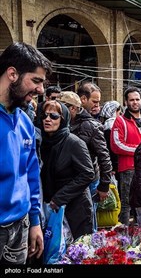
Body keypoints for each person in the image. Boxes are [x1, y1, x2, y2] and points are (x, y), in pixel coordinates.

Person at [0, 42, 52, 264]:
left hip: (20, 228)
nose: (41, 90)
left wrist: (35, 221)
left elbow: (31, 175)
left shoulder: (25, 122)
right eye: (36, 81)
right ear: (13, 74)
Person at [39, 100, 95, 239]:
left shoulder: (74, 142)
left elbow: (87, 174)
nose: (47, 119)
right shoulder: (41, 142)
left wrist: (60, 198)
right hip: (49, 208)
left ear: (63, 120)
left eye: (54, 116)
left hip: (75, 209)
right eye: (45, 116)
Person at [58, 91, 112, 232]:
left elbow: (104, 157)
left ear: (73, 108)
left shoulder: (92, 125)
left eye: (63, 107)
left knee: (87, 220)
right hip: (65, 181)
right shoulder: (59, 124)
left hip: (88, 181)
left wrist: (104, 185)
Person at [111, 87, 141, 225]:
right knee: (126, 204)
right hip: (128, 168)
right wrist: (140, 150)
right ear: (126, 102)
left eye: (137, 99)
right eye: (131, 100)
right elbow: (117, 145)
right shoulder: (120, 121)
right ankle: (124, 236)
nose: (135, 102)